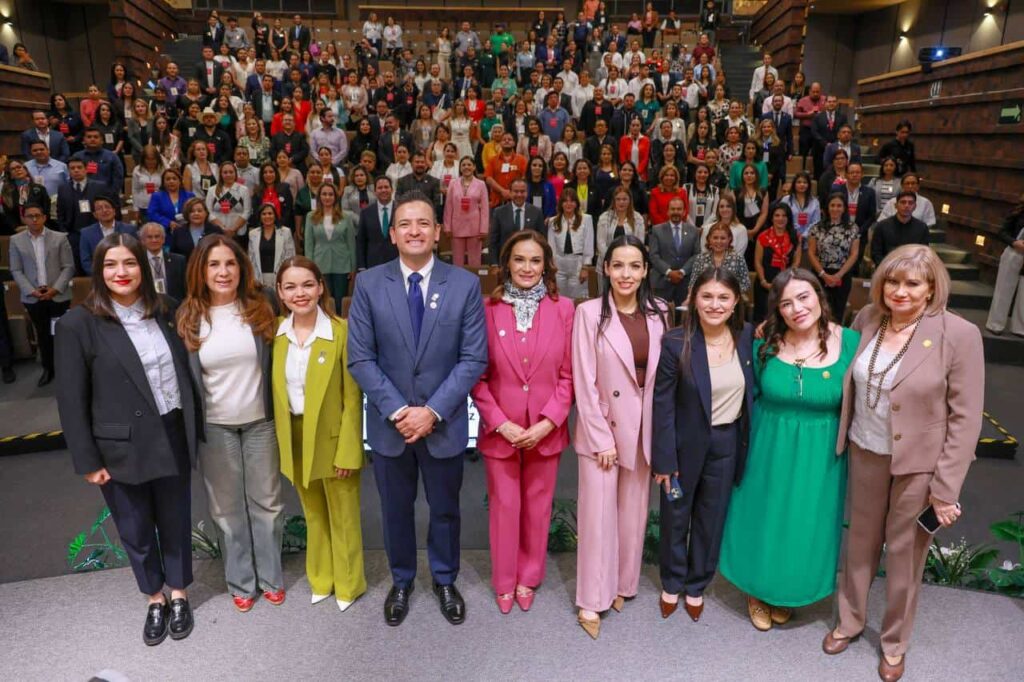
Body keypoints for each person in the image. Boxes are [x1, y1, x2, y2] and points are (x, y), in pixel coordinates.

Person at [826, 245, 984, 682]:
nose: (900, 291)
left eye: (912, 283)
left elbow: (967, 417)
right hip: (865, 449)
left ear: (931, 286)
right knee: (859, 544)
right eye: (892, 282)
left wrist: (946, 488)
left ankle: (894, 644)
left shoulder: (959, 334)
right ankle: (850, 621)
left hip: (919, 465)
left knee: (904, 555)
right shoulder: (867, 319)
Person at [347, 191, 488, 627]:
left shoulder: (463, 284)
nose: (414, 231)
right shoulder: (369, 284)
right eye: (405, 224)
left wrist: (432, 412)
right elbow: (360, 359)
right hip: (391, 427)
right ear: (392, 234)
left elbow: (473, 358)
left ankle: (445, 578)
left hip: (442, 424)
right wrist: (400, 411)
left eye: (423, 223)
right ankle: (402, 580)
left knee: (445, 508)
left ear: (438, 231)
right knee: (395, 509)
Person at [56, 233, 198, 646]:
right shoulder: (77, 324)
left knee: (175, 520)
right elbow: (70, 399)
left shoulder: (164, 309)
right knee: (135, 529)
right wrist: (87, 460)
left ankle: (179, 593)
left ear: (144, 268)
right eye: (111, 265)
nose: (122, 273)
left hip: (171, 431)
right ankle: (154, 598)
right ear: (99, 272)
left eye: (130, 263)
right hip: (120, 447)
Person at [718, 268, 856, 629]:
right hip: (768, 444)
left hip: (821, 453)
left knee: (804, 523)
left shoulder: (852, 343)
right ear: (777, 311)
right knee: (764, 516)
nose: (797, 308)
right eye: (786, 304)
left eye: (804, 297)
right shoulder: (763, 344)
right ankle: (757, 589)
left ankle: (788, 591)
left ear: (820, 297)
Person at [176, 233, 282, 612]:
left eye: (230, 263)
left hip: (260, 423)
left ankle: (271, 576)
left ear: (242, 267)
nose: (223, 272)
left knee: (267, 503)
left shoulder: (262, 305)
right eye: (214, 264)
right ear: (200, 271)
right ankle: (241, 581)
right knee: (227, 509)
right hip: (215, 428)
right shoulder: (187, 316)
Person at [471, 231, 574, 613]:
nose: (527, 268)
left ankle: (529, 576)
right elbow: (476, 378)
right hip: (502, 430)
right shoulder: (485, 309)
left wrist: (549, 422)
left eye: (534, 260)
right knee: (504, 505)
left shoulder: (565, 309)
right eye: (519, 260)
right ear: (506, 264)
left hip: (545, 430)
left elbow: (569, 376)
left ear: (546, 265)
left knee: (537, 505)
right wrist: (500, 423)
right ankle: (503, 580)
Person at [572, 235, 667, 638]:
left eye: (634, 266)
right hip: (604, 429)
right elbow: (584, 379)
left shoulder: (660, 311)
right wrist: (600, 439)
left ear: (645, 270)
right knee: (597, 516)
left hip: (644, 426)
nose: (626, 274)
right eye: (618, 266)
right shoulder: (589, 313)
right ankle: (591, 598)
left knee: (633, 513)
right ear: (605, 269)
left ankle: (622, 585)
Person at [652, 266, 754, 622]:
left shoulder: (746, 339)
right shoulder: (675, 342)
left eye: (723, 297)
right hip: (683, 443)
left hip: (726, 443)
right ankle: (672, 581)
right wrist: (664, 459)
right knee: (676, 515)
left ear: (736, 300)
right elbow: (662, 405)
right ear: (693, 300)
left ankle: (696, 585)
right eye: (707, 296)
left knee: (711, 518)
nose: (715, 304)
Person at [271, 256, 366, 612]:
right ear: (279, 292)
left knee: (342, 515)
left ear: (321, 286)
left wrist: (349, 451)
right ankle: (321, 578)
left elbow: (353, 399)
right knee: (312, 513)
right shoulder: (276, 335)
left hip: (333, 438)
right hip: (295, 436)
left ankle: (348, 583)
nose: (300, 293)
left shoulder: (341, 332)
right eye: (291, 286)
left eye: (308, 284)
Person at [9, 203, 75, 386]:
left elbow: (68, 267)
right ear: (24, 219)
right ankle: (48, 368)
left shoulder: (60, 238)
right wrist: (32, 291)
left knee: (61, 333)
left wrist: (55, 289)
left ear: (45, 217)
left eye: (38, 215)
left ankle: (66, 368)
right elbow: (15, 269)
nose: (34, 219)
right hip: (33, 297)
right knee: (43, 334)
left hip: (58, 295)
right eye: (30, 216)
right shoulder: (16, 240)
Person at [808, 193, 862, 322]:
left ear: (844, 208)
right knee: (818, 312)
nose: (835, 209)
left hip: (842, 275)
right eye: (832, 205)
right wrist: (823, 274)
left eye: (839, 206)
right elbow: (811, 252)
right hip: (820, 274)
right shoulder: (816, 227)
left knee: (837, 313)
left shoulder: (853, 228)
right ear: (827, 207)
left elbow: (854, 254)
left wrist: (838, 275)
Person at [304, 183, 356, 312]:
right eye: (324, 194)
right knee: (323, 300)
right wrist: (309, 267)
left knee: (339, 301)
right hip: (319, 264)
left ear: (336, 197)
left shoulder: (346, 216)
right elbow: (309, 244)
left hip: (342, 264)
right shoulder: (311, 216)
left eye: (331, 194)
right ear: (319, 197)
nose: (327, 197)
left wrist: (353, 267)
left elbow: (351, 243)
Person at [753, 202, 802, 322]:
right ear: (772, 217)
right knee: (763, 318)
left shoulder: (795, 236)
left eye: (784, 216)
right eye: (777, 215)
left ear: (788, 218)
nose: (780, 219)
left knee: (783, 318)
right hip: (764, 283)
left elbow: (796, 261)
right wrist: (764, 281)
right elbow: (757, 262)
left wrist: (787, 280)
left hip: (786, 282)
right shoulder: (763, 236)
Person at [649, 196, 699, 308]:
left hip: (685, 284)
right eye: (673, 209)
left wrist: (682, 271)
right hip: (661, 283)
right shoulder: (656, 230)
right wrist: (669, 272)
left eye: (679, 209)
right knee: (660, 318)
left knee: (683, 320)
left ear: (684, 211)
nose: (676, 212)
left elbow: (696, 255)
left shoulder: (694, 231)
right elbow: (653, 255)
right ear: (667, 211)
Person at [986, 196, 1024, 336]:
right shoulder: (1018, 212)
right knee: (1003, 289)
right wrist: (1014, 243)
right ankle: (995, 324)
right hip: (1014, 252)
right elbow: (1002, 232)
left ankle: (1020, 328)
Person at [547, 190, 594, 299]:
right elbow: (551, 247)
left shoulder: (586, 219)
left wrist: (585, 268)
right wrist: (552, 269)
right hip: (559, 264)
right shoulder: (553, 221)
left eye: (572, 201)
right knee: (559, 297)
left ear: (576, 203)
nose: (569, 204)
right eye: (565, 201)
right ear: (561, 204)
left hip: (578, 263)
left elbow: (588, 243)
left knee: (578, 298)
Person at [442, 157, 489, 267]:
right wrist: (447, 227)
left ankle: (474, 283)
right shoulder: (453, 183)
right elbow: (448, 206)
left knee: (475, 261)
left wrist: (483, 229)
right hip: (456, 227)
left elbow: (485, 208)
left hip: (475, 228)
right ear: (460, 168)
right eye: (463, 165)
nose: (466, 167)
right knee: (457, 261)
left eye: (469, 164)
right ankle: (458, 283)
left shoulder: (481, 184)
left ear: (474, 167)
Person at [686, 221, 752, 296]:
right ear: (709, 239)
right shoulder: (700, 258)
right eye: (715, 238)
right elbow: (693, 283)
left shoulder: (738, 259)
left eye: (723, 238)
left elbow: (746, 284)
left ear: (729, 239)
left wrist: (730, 293)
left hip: (730, 300)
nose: (719, 241)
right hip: (705, 300)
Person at [489, 179, 545, 263]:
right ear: (510, 192)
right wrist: (494, 264)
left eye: (522, 191)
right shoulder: (499, 212)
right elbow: (493, 241)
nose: (519, 195)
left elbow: (542, 240)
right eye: (516, 191)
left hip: (529, 261)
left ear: (527, 193)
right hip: (505, 261)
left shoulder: (536, 212)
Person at [79, 196, 137, 275]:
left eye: (107, 207)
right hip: (99, 278)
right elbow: (86, 261)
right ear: (95, 214)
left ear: (114, 211)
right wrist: (101, 276)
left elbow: (136, 255)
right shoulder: (86, 233)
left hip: (125, 274)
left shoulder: (129, 230)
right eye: (99, 208)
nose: (104, 210)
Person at [871, 191, 930, 266]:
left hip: (912, 271)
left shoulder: (922, 228)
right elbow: (876, 253)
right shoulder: (882, 226)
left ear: (915, 207)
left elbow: (923, 254)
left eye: (910, 203)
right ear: (896, 205)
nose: (906, 206)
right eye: (903, 202)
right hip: (886, 270)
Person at [248, 203, 297, 288]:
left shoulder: (286, 232)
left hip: (281, 276)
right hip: (259, 278)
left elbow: (290, 256)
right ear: (260, 216)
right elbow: (251, 259)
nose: (267, 216)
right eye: (264, 214)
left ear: (275, 215)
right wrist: (254, 279)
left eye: (270, 213)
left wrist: (285, 276)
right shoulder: (253, 234)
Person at [355, 176, 397, 270]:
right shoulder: (366, 212)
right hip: (373, 263)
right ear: (375, 191)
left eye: (386, 187)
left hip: (397, 262)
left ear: (392, 189)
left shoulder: (401, 210)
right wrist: (361, 266)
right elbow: (361, 241)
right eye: (380, 188)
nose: (383, 190)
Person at [0, 159, 50, 235]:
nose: (17, 170)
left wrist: (35, 225)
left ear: (25, 170)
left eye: (19, 167)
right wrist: (16, 227)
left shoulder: (40, 189)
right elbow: (7, 214)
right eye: (13, 169)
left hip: (40, 228)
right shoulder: (7, 192)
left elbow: (46, 210)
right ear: (10, 175)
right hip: (17, 231)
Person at [139, 222, 186, 301]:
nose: (154, 240)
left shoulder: (179, 260)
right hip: (147, 305)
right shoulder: (138, 262)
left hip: (175, 307)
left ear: (163, 239)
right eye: (149, 237)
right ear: (142, 241)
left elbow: (185, 288)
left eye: (157, 236)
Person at [206, 161, 252, 241]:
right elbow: (208, 212)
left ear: (235, 173)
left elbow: (247, 212)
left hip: (239, 234)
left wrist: (233, 229)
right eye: (225, 172)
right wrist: (223, 228)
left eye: (231, 172)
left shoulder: (244, 190)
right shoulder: (212, 190)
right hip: (217, 233)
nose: (228, 175)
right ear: (220, 174)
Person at [169, 197, 224, 262]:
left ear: (206, 213)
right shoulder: (178, 232)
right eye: (192, 211)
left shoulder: (216, 231)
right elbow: (173, 256)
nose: (196, 213)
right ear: (187, 214)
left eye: (199, 211)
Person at [147, 169, 194, 233]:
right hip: (165, 232)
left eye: (174, 179)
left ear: (180, 181)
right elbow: (152, 214)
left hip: (186, 231)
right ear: (163, 182)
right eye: (168, 179)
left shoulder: (189, 195)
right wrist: (168, 223)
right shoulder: (157, 196)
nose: (171, 181)